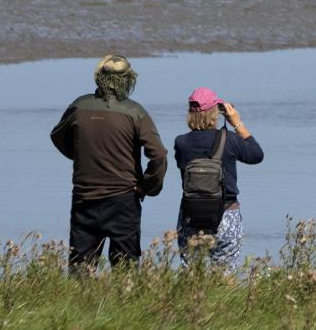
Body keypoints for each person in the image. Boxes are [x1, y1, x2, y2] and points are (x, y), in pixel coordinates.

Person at [50, 54, 168, 269]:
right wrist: (148, 186)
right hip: (124, 201)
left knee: (80, 270)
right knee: (126, 271)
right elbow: (159, 154)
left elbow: (57, 137)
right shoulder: (135, 112)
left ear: (99, 77)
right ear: (128, 79)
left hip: (85, 199)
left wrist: (83, 156)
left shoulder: (79, 107)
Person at [173, 87, 265, 268]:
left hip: (191, 216)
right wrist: (237, 123)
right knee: (225, 275)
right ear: (216, 113)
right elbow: (256, 155)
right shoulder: (230, 139)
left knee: (191, 275)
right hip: (226, 214)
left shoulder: (181, 142)